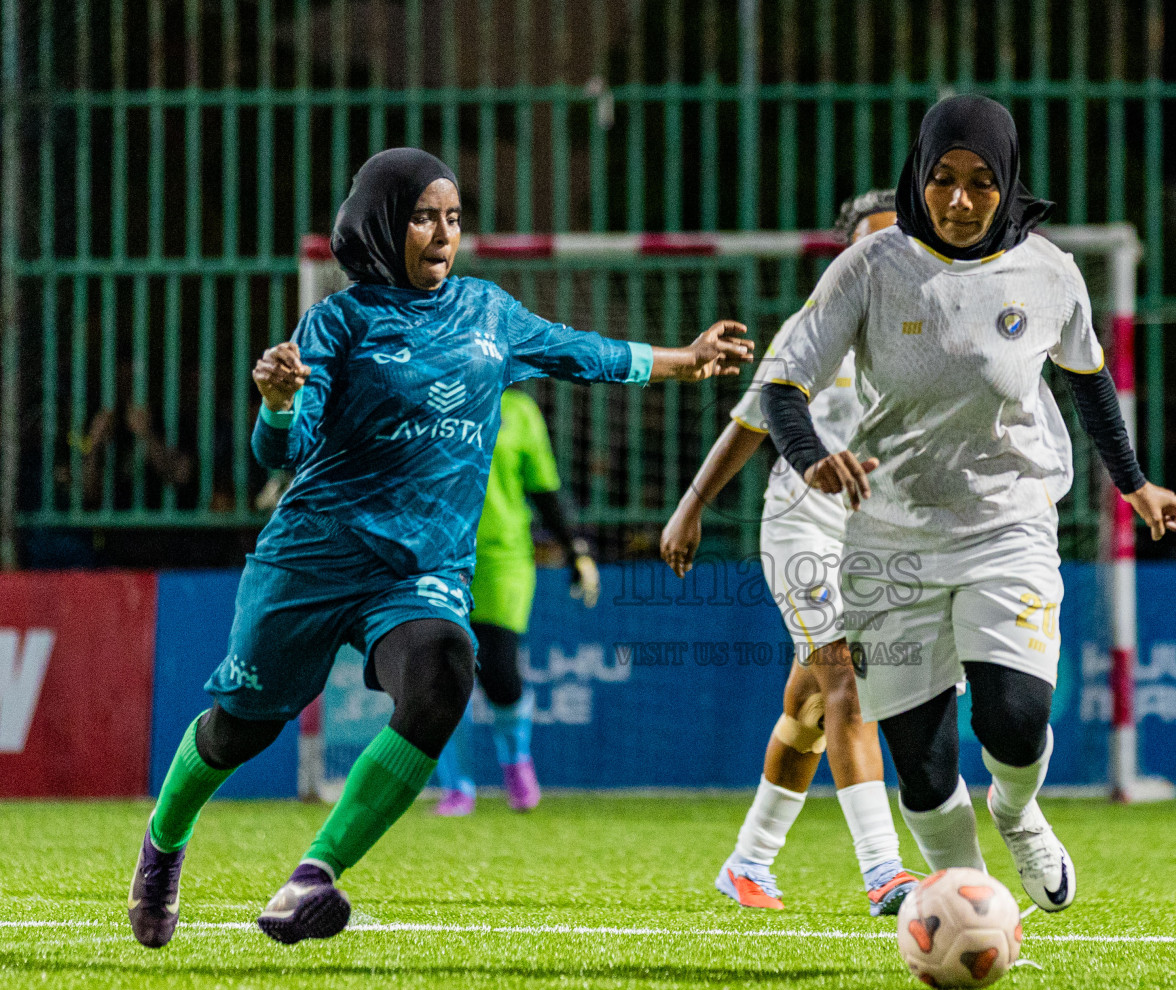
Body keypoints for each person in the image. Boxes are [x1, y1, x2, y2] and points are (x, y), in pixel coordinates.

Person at [127, 148, 751, 948]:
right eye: (425, 216)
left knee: (445, 673)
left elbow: (583, 352)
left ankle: (312, 876)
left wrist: (684, 360)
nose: (443, 233)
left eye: (453, 218)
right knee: (238, 731)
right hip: (314, 559)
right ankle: (164, 842)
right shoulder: (340, 321)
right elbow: (282, 452)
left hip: (418, 573)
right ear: (383, 222)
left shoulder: (489, 313)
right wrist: (279, 405)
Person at [758, 97, 1176, 914]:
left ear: (1009, 184)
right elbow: (781, 385)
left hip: (1008, 526)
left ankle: (1018, 814)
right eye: (943, 180)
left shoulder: (1049, 273)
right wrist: (812, 459)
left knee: (1015, 720)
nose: (959, 201)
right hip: (888, 540)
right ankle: (967, 901)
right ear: (918, 175)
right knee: (920, 766)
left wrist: (1134, 482)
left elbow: (1089, 379)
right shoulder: (870, 267)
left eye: (982, 183)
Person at [661, 190, 922, 917]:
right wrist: (691, 507)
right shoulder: (814, 327)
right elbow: (751, 421)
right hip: (803, 523)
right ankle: (883, 873)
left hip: (883, 535)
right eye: (869, 244)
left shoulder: (932, 333)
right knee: (850, 681)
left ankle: (747, 863)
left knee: (810, 705)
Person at [433, 387, 600, 815]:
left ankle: (516, 761)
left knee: (499, 669)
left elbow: (545, 490)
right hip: (439, 555)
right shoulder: (433, 398)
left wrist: (576, 551)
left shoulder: (520, 411)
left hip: (503, 558)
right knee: (443, 672)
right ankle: (456, 787)